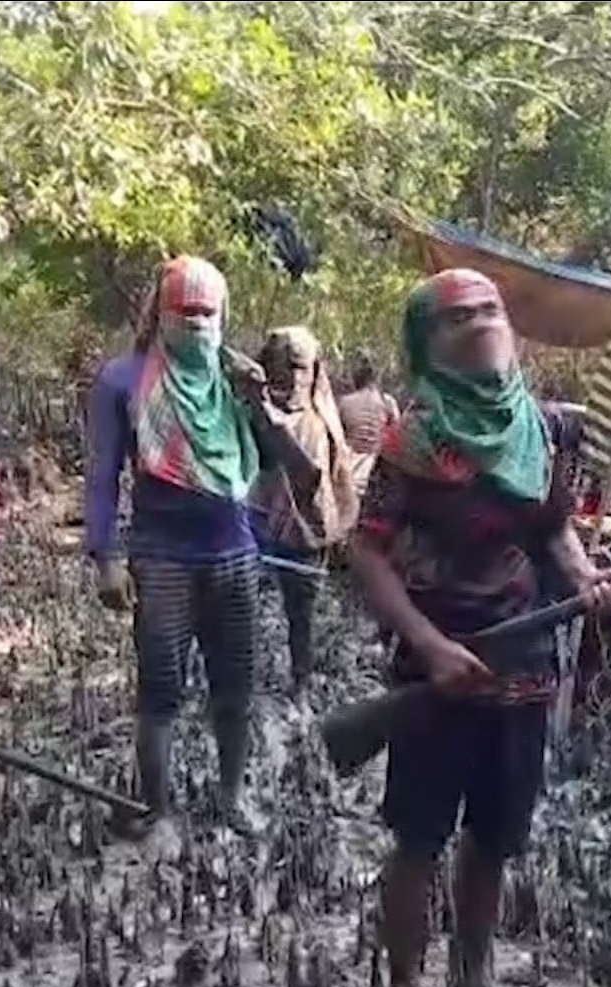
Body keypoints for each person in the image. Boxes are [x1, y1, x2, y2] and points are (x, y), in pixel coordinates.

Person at [350, 268, 611, 987]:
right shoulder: (414, 440)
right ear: (428, 344)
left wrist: (585, 577)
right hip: (435, 664)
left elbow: (551, 532)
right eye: (458, 317)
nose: (479, 324)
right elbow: (366, 553)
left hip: (525, 657)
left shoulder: (542, 430)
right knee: (418, 836)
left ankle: (472, 976)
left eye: (489, 310)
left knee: (495, 837)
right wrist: (429, 644)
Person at [84, 255, 287, 843]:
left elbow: (271, 464)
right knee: (161, 688)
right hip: (161, 555)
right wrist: (107, 555)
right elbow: (102, 475)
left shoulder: (234, 380)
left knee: (235, 686)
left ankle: (231, 797)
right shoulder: (122, 380)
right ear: (161, 313)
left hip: (235, 553)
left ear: (223, 316)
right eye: (185, 311)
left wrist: (260, 404)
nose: (197, 323)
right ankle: (159, 811)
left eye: (208, 312)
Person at [246, 326, 360, 700]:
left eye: (302, 368)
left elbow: (317, 476)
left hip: (306, 535)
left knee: (301, 619)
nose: (294, 378)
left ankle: (300, 686)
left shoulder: (321, 419)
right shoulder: (251, 411)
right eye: (286, 366)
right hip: (255, 530)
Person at [336, 356, 400, 498]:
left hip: (350, 471)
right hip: (377, 471)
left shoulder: (345, 402)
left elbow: (335, 438)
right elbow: (398, 438)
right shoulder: (387, 402)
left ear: (355, 380)